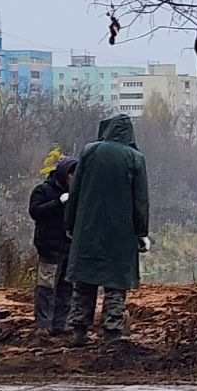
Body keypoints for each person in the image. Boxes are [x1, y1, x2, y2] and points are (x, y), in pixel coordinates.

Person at [66, 114, 150, 345]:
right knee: (116, 284)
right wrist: (141, 232)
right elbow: (140, 201)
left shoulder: (89, 152)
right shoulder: (135, 158)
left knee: (84, 282)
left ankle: (78, 331)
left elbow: (75, 193)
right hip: (121, 234)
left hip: (87, 230)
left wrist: (70, 224)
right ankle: (112, 331)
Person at [29, 157, 79, 335]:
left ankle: (60, 324)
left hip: (70, 248)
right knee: (46, 288)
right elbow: (36, 211)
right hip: (49, 248)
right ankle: (43, 325)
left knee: (66, 289)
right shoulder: (43, 190)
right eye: (71, 173)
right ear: (64, 173)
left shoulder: (77, 193)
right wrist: (59, 202)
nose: (74, 177)